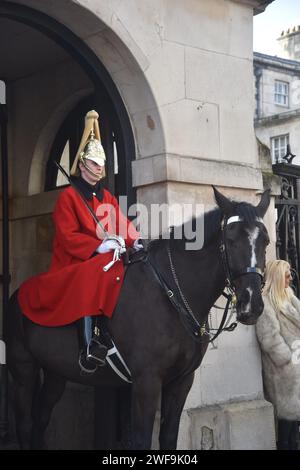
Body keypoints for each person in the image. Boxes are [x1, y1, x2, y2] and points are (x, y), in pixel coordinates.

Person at [18, 110, 142, 373]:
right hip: (73, 261)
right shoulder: (68, 198)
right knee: (100, 266)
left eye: (101, 164)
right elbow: (67, 236)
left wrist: (136, 241)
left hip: (99, 260)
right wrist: (98, 246)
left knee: (119, 265)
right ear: (83, 165)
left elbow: (121, 223)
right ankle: (89, 342)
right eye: (94, 164)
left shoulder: (105, 196)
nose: (100, 169)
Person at [256, 260, 300, 450]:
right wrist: (288, 360)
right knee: (286, 426)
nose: (291, 278)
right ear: (277, 277)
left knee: (295, 425)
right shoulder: (266, 302)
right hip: (283, 372)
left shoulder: (289, 296)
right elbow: (269, 338)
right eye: (287, 275)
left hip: (296, 366)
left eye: (290, 274)